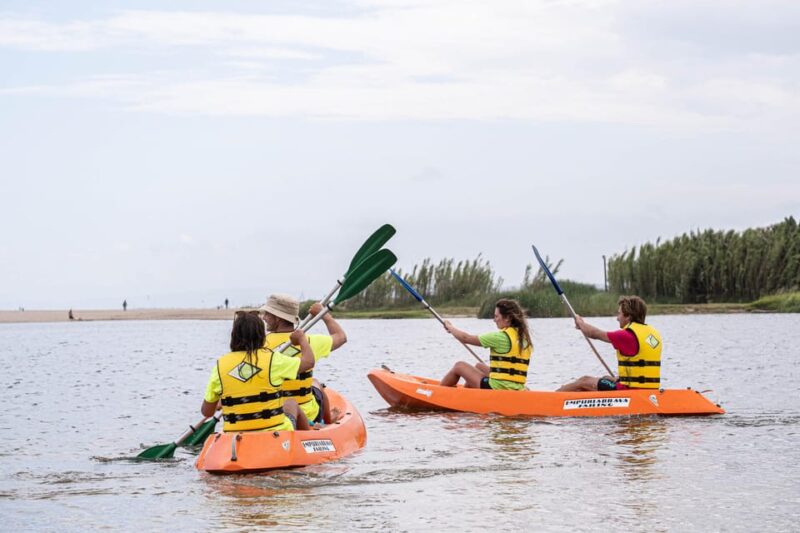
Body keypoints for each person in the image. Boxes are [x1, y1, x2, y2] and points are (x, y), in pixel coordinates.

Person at [201, 311, 315, 432]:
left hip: (236, 438)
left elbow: (207, 412)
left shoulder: (220, 366)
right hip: (274, 435)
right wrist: (302, 339)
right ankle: (310, 436)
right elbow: (309, 362)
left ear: (234, 335)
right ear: (261, 336)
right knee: (291, 403)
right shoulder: (273, 359)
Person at [259, 293, 347, 425]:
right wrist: (324, 315)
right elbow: (341, 337)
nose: (264, 318)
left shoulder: (260, 344)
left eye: (267, 314)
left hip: (272, 413)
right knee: (315, 383)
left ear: (277, 319)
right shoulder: (309, 341)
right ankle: (328, 422)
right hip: (308, 413)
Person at [557, 295, 662, 392]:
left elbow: (594, 333)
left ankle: (551, 398)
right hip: (650, 390)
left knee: (584, 381)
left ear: (628, 316)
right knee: (606, 379)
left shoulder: (627, 335)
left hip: (629, 391)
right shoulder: (652, 336)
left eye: (619, 313)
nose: (617, 318)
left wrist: (580, 323)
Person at [440, 298, 533, 390]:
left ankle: (439, 393)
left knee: (459, 366)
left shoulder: (500, 337)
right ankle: (467, 396)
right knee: (479, 366)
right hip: (516, 388)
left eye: (496, 316)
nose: (494, 320)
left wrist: (450, 327)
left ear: (508, 318)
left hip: (497, 388)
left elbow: (465, 338)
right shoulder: (524, 338)